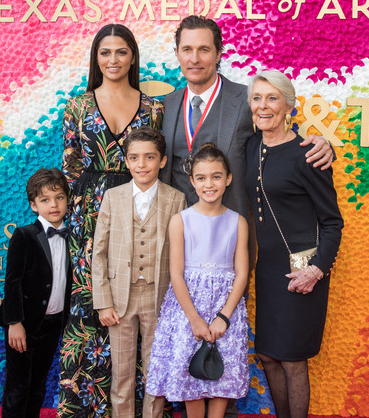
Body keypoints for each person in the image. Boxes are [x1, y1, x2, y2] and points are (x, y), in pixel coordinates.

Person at [60, 24, 164, 417]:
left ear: (133, 57)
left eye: (121, 52)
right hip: (89, 218)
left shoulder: (154, 109)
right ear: (96, 58)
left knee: (136, 302)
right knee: (92, 304)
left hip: (139, 214)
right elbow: (70, 166)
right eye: (105, 53)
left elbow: (156, 164)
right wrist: (77, 222)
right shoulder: (77, 106)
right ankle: (86, 408)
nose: (113, 60)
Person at [160, 15, 334, 217]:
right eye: (187, 49)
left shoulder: (248, 99)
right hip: (178, 228)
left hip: (234, 228)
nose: (195, 59)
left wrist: (322, 145)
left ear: (218, 55)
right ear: (177, 54)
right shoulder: (167, 105)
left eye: (204, 49)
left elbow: (280, 141)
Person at [244, 70, 344, 418]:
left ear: (289, 105)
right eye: (257, 98)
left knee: (292, 360)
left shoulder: (308, 154)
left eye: (272, 98)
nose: (263, 106)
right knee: (269, 356)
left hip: (304, 269)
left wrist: (316, 271)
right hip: (269, 270)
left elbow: (332, 222)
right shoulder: (252, 145)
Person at [146, 143, 250, 418]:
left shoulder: (238, 222)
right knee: (191, 377)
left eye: (216, 176)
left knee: (221, 380)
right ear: (192, 181)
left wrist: (223, 318)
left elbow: (242, 273)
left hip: (225, 310)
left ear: (228, 179)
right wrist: (195, 319)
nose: (209, 184)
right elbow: (176, 274)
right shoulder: (180, 221)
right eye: (201, 178)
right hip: (187, 311)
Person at [91, 127, 187, 418]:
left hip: (158, 297)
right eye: (134, 157)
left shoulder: (176, 199)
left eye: (149, 157)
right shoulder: (112, 197)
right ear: (126, 161)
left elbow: (181, 255)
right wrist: (103, 301)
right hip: (120, 299)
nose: (141, 164)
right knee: (121, 374)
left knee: (155, 372)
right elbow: (99, 252)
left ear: (162, 161)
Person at [0, 168, 73, 418]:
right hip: (24, 323)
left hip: (52, 322)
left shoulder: (73, 236)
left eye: (59, 197)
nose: (54, 205)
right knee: (18, 388)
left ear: (68, 200)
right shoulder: (24, 235)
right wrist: (14, 323)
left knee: (38, 385)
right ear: (33, 205)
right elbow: (12, 282)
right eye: (45, 200)